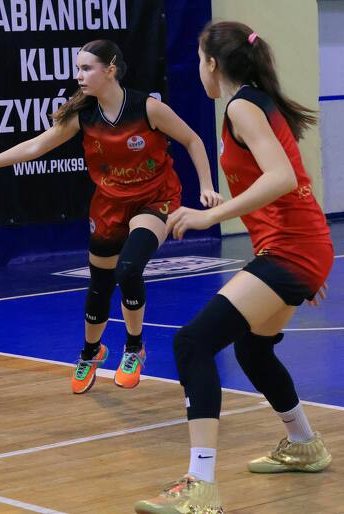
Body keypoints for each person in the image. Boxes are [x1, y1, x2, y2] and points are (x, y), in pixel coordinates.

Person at [135, 22, 333, 514]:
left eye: (199, 58)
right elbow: (293, 178)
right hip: (298, 247)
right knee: (253, 349)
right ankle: (304, 444)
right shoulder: (252, 103)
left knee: (192, 343)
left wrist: (210, 215)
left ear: (211, 63)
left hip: (293, 248)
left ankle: (200, 487)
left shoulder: (242, 107)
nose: (198, 67)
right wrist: (311, 259)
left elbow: (282, 177)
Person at [0, 40, 221, 393]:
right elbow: (35, 146)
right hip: (109, 205)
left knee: (128, 269)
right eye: (78, 69)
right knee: (100, 284)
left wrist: (206, 185)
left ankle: (134, 348)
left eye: (86, 68)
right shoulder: (83, 116)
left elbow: (193, 140)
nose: (79, 76)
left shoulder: (147, 108)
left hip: (154, 199)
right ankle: (91, 351)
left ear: (109, 70)